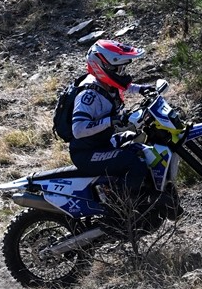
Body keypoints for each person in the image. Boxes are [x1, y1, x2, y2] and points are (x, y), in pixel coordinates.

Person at [68, 39, 167, 224]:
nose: (123, 73)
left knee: (140, 145)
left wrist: (143, 89)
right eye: (119, 69)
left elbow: (124, 86)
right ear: (103, 67)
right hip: (87, 153)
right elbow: (78, 129)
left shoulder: (105, 84)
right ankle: (119, 214)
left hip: (101, 143)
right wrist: (110, 121)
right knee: (133, 162)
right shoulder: (89, 95)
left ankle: (139, 198)